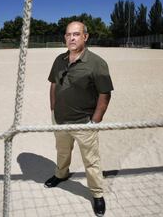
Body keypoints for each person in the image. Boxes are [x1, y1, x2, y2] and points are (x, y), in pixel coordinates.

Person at [45, 21, 113, 217]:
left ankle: (97, 194)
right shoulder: (59, 59)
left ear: (85, 37)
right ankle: (61, 174)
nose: (71, 38)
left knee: (91, 160)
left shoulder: (97, 63)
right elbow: (53, 85)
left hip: (84, 122)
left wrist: (95, 121)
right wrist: (53, 109)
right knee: (62, 151)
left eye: (76, 34)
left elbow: (105, 94)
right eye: (68, 35)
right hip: (60, 120)